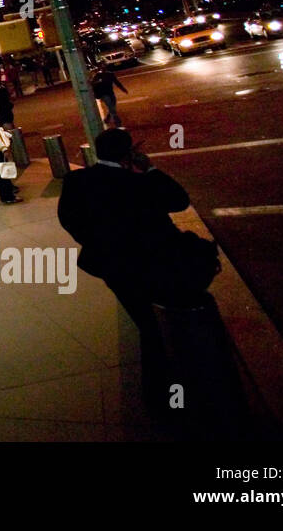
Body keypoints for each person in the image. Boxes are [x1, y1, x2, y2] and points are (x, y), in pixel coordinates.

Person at [57, 128, 217, 408]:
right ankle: (173, 394)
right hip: (155, 266)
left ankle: (159, 394)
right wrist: (150, 168)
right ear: (128, 154)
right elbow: (179, 200)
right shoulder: (139, 182)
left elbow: (68, 219)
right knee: (160, 327)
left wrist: (98, 242)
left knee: (146, 322)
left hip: (114, 268)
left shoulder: (77, 180)